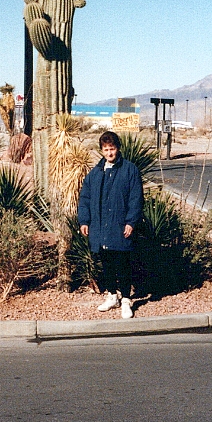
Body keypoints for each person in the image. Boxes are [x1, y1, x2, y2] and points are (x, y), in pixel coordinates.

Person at [78, 131, 144, 319]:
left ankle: (125, 301)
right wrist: (84, 220)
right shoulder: (95, 173)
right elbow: (85, 198)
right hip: (100, 226)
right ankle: (112, 296)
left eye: (112, 149)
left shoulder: (130, 170)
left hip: (120, 225)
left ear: (118, 148)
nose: (109, 153)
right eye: (106, 150)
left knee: (122, 263)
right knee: (106, 263)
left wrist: (131, 221)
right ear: (101, 150)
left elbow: (136, 199)